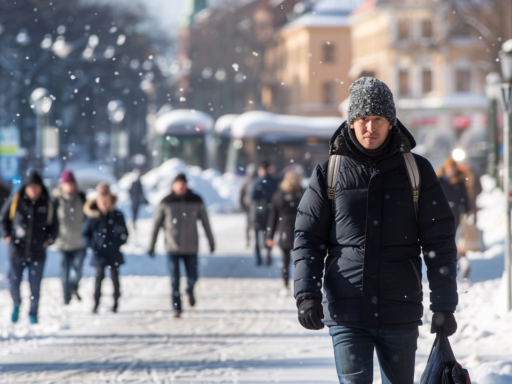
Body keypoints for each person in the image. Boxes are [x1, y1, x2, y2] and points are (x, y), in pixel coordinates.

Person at [294, 77, 458, 384]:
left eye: (379, 119)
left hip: (400, 308)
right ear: (352, 123)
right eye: (364, 119)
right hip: (347, 309)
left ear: (391, 122)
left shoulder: (417, 171)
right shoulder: (329, 173)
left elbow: (439, 242)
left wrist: (445, 305)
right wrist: (306, 295)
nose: (371, 127)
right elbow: (308, 239)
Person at [147, 173, 215, 318]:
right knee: (174, 279)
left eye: (183, 184)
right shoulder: (166, 202)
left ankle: (190, 289)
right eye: (178, 184)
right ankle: (176, 307)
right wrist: (151, 245)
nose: (181, 187)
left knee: (193, 276)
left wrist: (211, 241)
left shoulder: (196, 200)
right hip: (172, 247)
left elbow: (205, 223)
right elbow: (156, 224)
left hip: (191, 247)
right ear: (173, 185)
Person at [0, 170, 59, 324]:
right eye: (31, 187)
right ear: (26, 187)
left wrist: (49, 239)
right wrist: (6, 234)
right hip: (16, 250)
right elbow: (3, 219)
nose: (34, 190)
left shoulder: (47, 203)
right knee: (14, 282)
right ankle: (16, 304)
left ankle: (33, 313)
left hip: (38, 252)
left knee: (35, 286)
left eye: (36, 187)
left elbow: (55, 226)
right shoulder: (16, 200)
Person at [82, 182, 128, 314]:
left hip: (113, 251)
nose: (104, 204)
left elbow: (125, 233)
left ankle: (116, 303)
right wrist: (93, 245)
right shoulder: (93, 216)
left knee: (115, 278)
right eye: (102, 201)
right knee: (98, 278)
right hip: (99, 253)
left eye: (106, 201)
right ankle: (96, 303)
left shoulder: (117, 215)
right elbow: (85, 234)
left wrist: (118, 242)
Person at [266, 171, 304, 292]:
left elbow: (273, 217)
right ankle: (302, 284)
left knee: (285, 259)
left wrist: (270, 236)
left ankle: (285, 284)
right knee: (302, 260)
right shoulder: (303, 194)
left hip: (284, 231)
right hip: (301, 231)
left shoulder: (279, 195)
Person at [53, 169, 87, 305]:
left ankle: (74, 287)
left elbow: (88, 217)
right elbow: (52, 220)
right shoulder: (56, 200)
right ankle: (66, 297)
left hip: (80, 242)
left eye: (71, 183)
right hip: (63, 242)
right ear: (62, 185)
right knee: (64, 272)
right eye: (67, 183)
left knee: (78, 270)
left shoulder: (82, 197)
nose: (70, 186)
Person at [437, 158, 471, 279]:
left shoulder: (460, 182)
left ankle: (457, 264)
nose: (451, 171)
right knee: (442, 242)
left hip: (456, 216)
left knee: (455, 241)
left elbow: (464, 200)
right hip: (440, 216)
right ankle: (446, 266)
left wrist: (466, 213)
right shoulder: (438, 181)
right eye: (449, 168)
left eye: (453, 169)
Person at [250, 160, 278, 266]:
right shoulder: (274, 181)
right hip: (270, 212)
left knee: (257, 237)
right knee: (269, 235)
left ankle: (258, 259)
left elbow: (252, 196)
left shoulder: (257, 181)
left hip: (258, 212)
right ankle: (268, 254)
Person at [238, 163, 257, 248]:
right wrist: (241, 204)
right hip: (248, 206)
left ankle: (258, 241)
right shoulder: (246, 181)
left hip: (257, 206)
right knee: (248, 224)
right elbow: (241, 193)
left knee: (257, 224)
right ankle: (247, 240)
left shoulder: (257, 180)